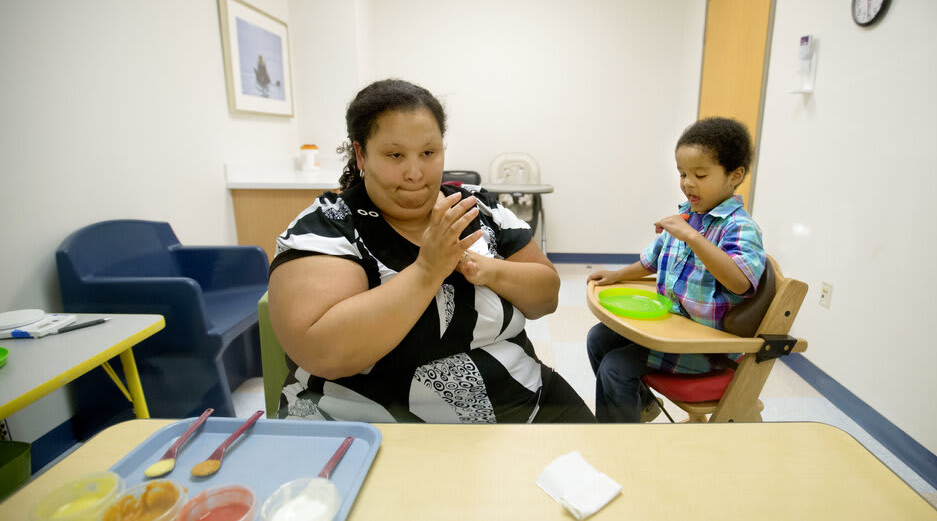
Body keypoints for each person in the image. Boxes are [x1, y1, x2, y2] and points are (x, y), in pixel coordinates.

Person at [268, 78, 594, 423]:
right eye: (395, 155)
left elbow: (546, 297)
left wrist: (485, 268)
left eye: (428, 153)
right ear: (361, 154)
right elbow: (322, 352)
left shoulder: (477, 208)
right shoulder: (330, 225)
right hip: (369, 424)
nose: (415, 173)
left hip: (524, 403)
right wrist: (427, 270)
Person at [586, 117, 766, 423]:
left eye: (700, 174)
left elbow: (738, 282)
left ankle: (620, 445)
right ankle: (641, 408)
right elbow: (651, 261)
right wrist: (616, 275)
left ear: (735, 175)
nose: (687, 183)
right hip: (671, 330)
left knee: (615, 367)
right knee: (598, 338)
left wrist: (693, 238)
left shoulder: (740, 227)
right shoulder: (687, 216)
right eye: (682, 174)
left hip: (704, 347)